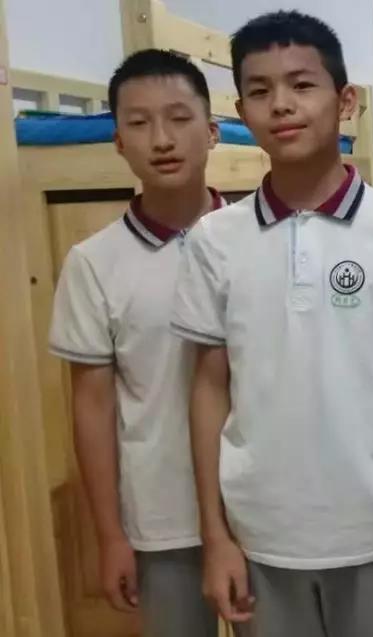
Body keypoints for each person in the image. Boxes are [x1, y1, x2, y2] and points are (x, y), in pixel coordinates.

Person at [171, 11, 373, 636]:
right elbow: (208, 388)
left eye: (302, 84)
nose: (281, 105)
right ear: (241, 111)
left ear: (344, 101)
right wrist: (216, 538)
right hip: (261, 534)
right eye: (260, 90)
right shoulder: (215, 241)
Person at [48, 48, 222, 637]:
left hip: (265, 505)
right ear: (118, 141)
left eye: (179, 118)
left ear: (212, 131)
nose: (162, 139)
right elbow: (92, 406)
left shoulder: (254, 239)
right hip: (162, 517)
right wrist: (110, 535)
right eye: (140, 123)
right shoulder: (93, 263)